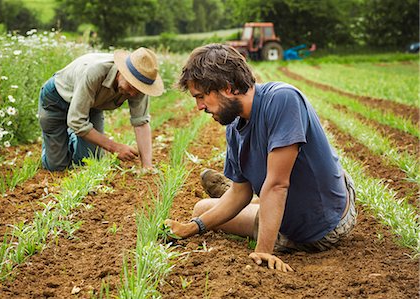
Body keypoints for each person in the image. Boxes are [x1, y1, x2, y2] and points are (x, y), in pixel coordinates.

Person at [164, 44, 357, 272]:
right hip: (283, 216)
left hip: (325, 226)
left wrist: (264, 251)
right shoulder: (234, 127)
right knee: (200, 209)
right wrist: (190, 228)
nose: (199, 107)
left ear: (227, 88)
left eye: (201, 97)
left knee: (270, 187)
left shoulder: (283, 100)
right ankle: (259, 197)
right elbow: (239, 193)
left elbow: (277, 185)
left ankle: (261, 198)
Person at [38, 47, 164, 171]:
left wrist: (147, 166)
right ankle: (57, 140)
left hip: (92, 106)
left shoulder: (138, 87)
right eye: (131, 86)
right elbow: (76, 121)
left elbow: (141, 123)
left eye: (137, 90)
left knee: (88, 162)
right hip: (56, 100)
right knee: (56, 166)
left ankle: (71, 137)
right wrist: (115, 147)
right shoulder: (94, 72)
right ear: (122, 72)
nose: (132, 94)